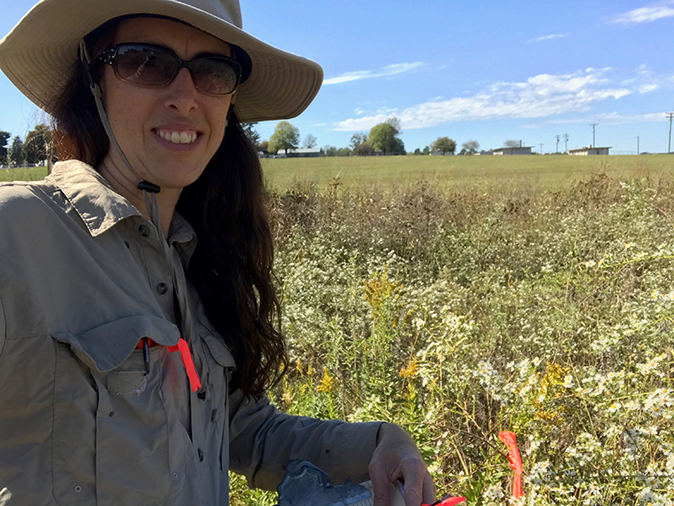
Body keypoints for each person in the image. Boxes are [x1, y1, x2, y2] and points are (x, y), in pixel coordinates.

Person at [0, 1, 436, 505]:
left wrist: (381, 443)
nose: (185, 97)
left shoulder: (196, 266)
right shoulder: (17, 234)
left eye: (212, 71)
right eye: (146, 61)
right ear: (93, 79)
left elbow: (245, 430)